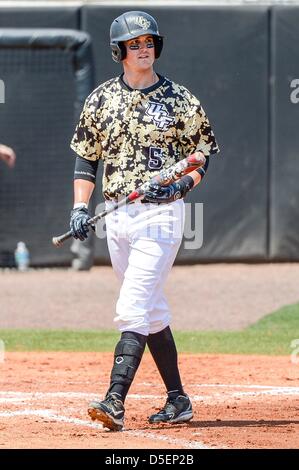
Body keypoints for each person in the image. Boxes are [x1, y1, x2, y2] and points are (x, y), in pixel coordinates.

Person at [70, 10, 219, 431]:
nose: (143, 49)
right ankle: (178, 400)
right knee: (151, 311)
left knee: (132, 305)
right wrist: (81, 207)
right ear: (119, 51)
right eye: (134, 44)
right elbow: (86, 159)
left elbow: (201, 157)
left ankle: (114, 399)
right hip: (117, 215)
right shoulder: (100, 98)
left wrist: (178, 188)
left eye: (149, 41)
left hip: (160, 216)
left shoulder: (180, 99)